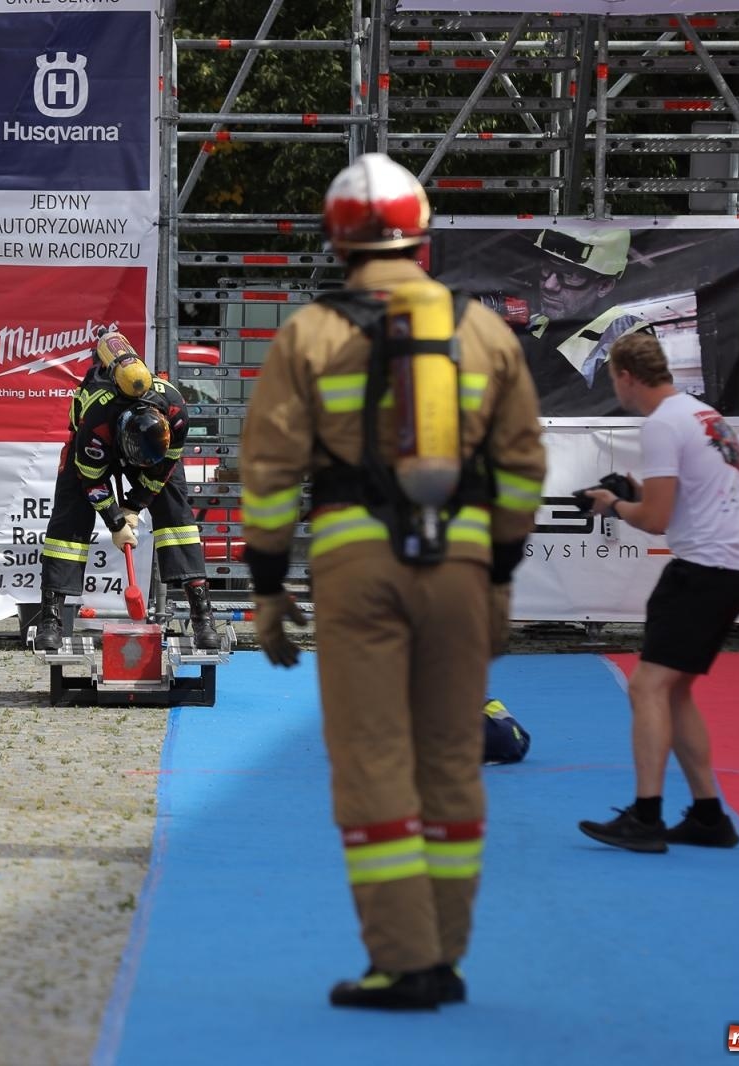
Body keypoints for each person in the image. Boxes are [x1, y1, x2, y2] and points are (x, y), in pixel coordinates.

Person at [240, 154, 546, 1010]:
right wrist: (500, 575)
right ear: (422, 232)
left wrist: (268, 588)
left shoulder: (309, 332)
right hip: (463, 567)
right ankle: (445, 957)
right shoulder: (483, 331)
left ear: (339, 237)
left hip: (355, 568)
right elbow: (521, 465)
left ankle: (402, 962)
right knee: (453, 757)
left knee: (373, 758)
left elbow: (268, 472)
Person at [577, 332, 739, 853]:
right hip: (732, 565)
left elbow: (656, 520)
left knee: (647, 688)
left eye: (614, 378)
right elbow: (693, 494)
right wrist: (631, 492)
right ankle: (707, 815)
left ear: (626, 377)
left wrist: (612, 505)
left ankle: (647, 815)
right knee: (673, 690)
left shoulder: (660, 425)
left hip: (705, 567)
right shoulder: (702, 415)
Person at [37, 329, 219, 652]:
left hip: (151, 453)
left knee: (177, 514)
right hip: (98, 451)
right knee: (69, 520)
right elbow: (92, 479)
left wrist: (135, 504)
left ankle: (203, 614)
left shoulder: (175, 415)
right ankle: (51, 617)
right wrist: (116, 522)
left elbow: (164, 468)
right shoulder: (96, 424)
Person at [517, 226, 645, 417]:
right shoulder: (536, 322)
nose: (549, 285)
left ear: (604, 285)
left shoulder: (629, 338)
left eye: (569, 275)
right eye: (546, 269)